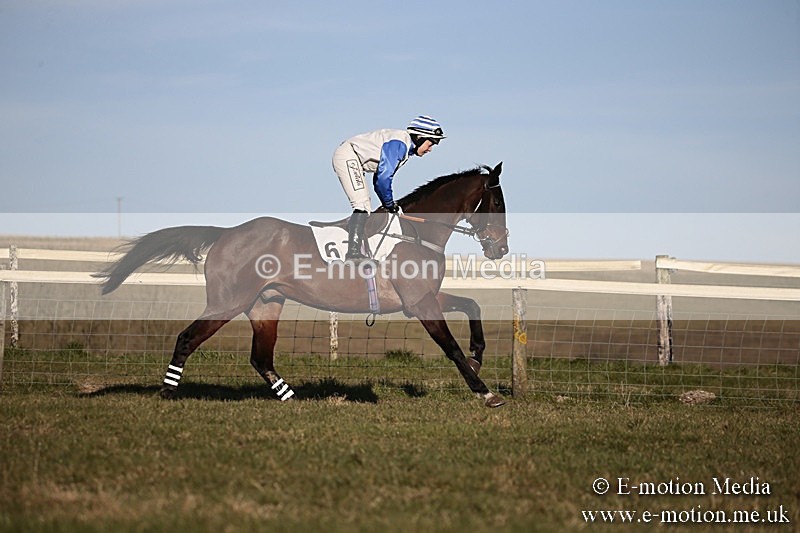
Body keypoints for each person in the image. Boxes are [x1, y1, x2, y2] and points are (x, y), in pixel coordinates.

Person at [333, 115, 446, 260]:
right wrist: (389, 204)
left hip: (353, 158)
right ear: (419, 138)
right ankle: (353, 253)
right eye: (431, 144)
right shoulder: (399, 145)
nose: (430, 149)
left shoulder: (403, 146)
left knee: (364, 204)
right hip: (348, 155)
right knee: (362, 205)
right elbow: (383, 179)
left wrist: (388, 204)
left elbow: (380, 179)